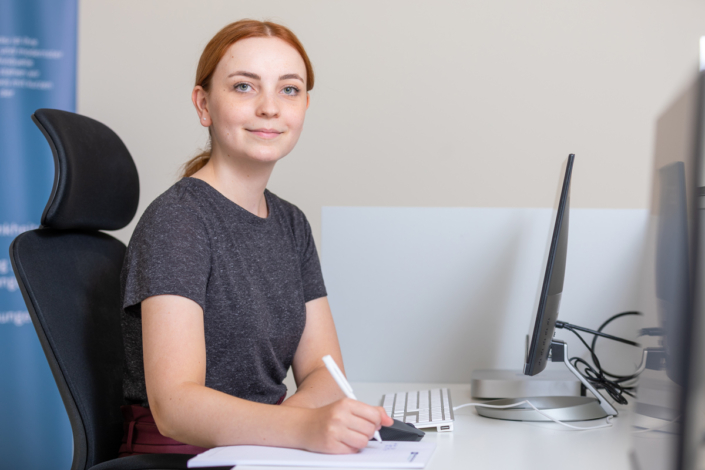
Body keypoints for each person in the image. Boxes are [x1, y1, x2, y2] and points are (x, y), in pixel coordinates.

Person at [119, 19, 392, 457]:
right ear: (203, 104)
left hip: (259, 450)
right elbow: (174, 406)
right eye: (245, 87)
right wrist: (298, 429)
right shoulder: (178, 220)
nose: (270, 107)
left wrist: (284, 436)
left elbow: (326, 374)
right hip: (182, 456)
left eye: (289, 89)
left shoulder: (291, 223)